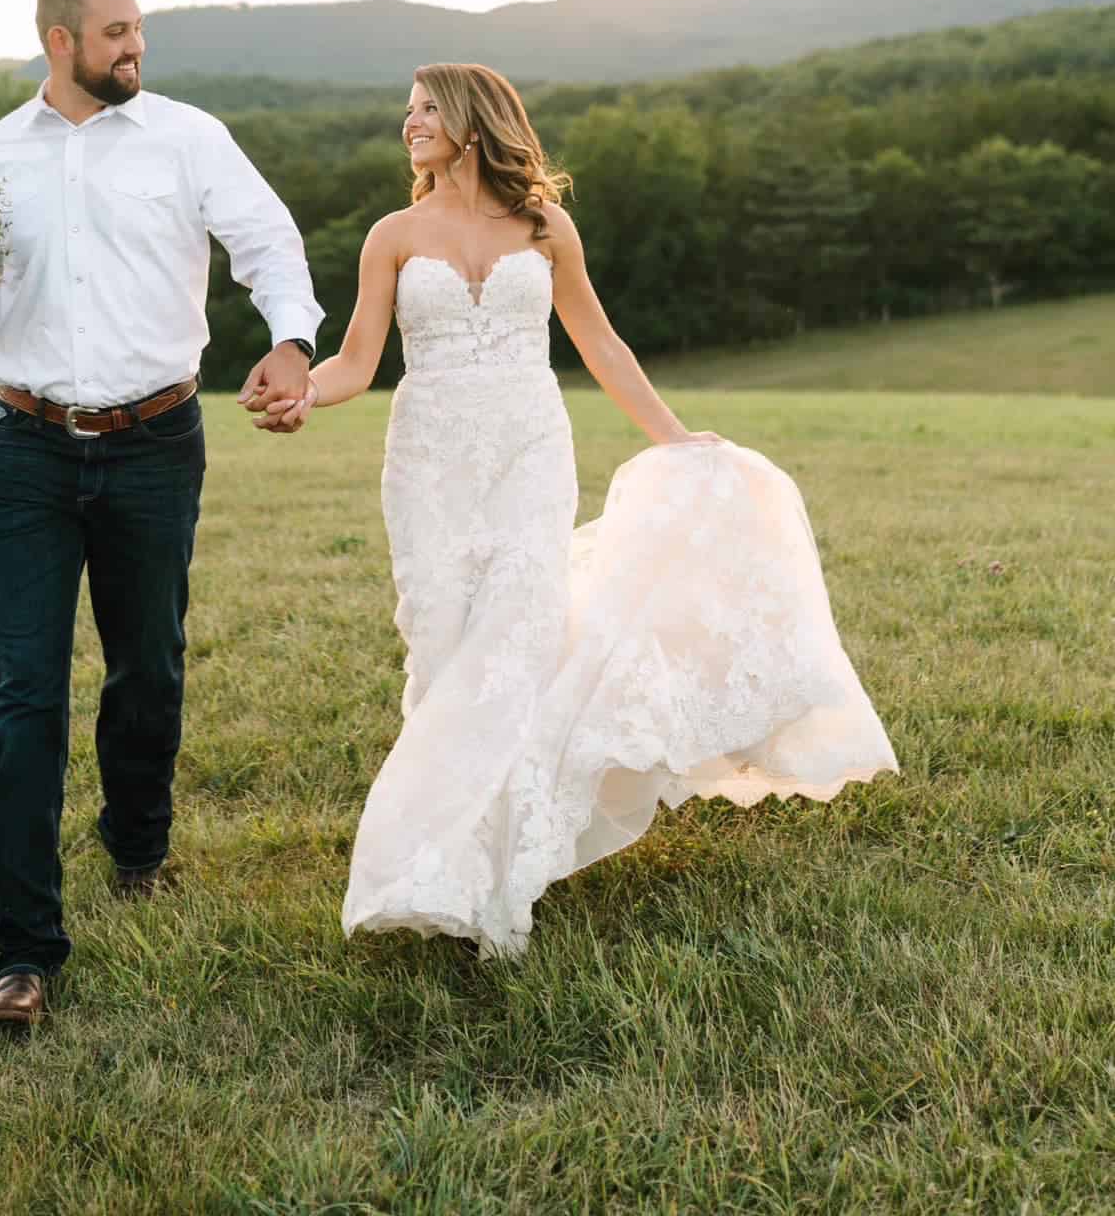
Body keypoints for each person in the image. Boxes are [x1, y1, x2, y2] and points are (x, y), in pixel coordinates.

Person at [248, 62, 896, 958]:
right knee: (443, 643)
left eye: (426, 108)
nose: (410, 124)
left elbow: (599, 341)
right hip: (430, 462)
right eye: (407, 111)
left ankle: (500, 875)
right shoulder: (391, 235)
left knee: (517, 635)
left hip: (529, 454)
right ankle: (451, 850)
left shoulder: (547, 228)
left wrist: (677, 439)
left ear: (474, 119)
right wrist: (304, 396)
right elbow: (358, 362)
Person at [0, 0, 322, 1028]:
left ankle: (137, 844)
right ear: (57, 42)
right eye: (115, 32)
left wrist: (294, 341)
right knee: (24, 693)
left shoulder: (186, 136)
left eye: (138, 30)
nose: (134, 47)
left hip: (154, 440)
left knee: (148, 662)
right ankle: (23, 951)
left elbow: (265, 242)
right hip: (24, 446)